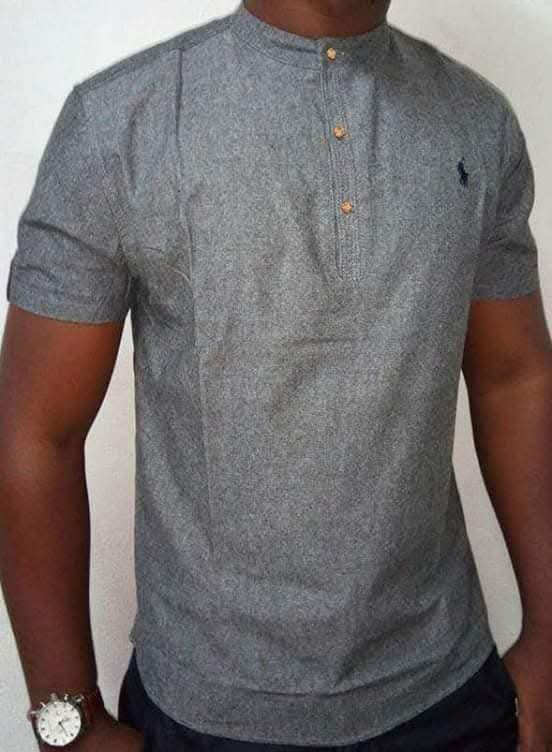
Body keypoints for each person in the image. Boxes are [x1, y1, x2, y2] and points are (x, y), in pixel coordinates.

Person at [0, 0, 551, 750]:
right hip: (203, 716)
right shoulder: (120, 125)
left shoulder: (477, 122)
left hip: (450, 694)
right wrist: (68, 724)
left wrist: (549, 639)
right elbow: (36, 433)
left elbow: (515, 376)